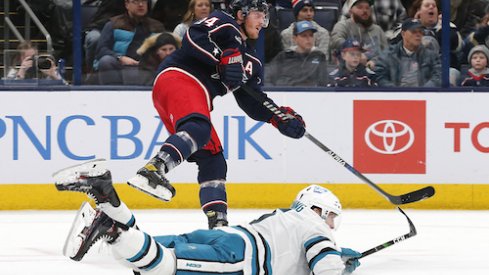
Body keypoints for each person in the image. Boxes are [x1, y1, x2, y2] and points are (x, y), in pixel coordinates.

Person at [126, 0, 307, 229]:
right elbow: (194, 36)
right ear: (242, 13)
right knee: (199, 129)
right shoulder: (224, 23)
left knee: (213, 157)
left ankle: (218, 223)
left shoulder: (251, 62)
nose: (263, 22)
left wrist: (279, 117)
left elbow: (251, 102)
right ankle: (154, 169)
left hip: (192, 95)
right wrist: (222, 57)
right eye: (259, 15)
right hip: (180, 78)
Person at [53, 159, 362, 275]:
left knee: (144, 262)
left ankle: (110, 206)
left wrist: (333, 257)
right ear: (321, 210)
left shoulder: (288, 217)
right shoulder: (317, 227)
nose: (334, 225)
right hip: (237, 258)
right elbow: (326, 268)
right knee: (162, 266)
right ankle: (111, 227)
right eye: (333, 217)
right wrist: (336, 259)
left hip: (228, 239)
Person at [95, 0, 165, 85]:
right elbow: (102, 49)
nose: (140, 5)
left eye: (144, 1)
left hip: (147, 67)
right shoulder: (113, 24)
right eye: (135, 1)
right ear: (126, 4)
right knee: (106, 61)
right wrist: (120, 58)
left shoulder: (157, 27)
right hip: (120, 64)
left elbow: (165, 50)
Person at [374, 18, 441, 87]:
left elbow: (438, 75)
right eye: (414, 32)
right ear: (403, 34)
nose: (418, 35)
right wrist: (395, 91)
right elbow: (380, 76)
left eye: (421, 31)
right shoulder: (389, 54)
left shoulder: (431, 55)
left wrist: (423, 91)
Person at [266, 20, 328, 86]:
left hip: (312, 94)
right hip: (286, 93)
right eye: (304, 36)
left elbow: (324, 82)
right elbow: (268, 79)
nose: (308, 39)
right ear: (295, 38)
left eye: (311, 35)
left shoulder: (319, 56)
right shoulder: (283, 57)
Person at [330, 0, 388, 69]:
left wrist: (375, 61)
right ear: (350, 11)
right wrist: (356, 53)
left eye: (367, 8)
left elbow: (387, 52)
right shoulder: (343, 26)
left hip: (375, 71)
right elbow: (336, 41)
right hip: (347, 70)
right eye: (360, 7)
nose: (365, 11)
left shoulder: (377, 29)